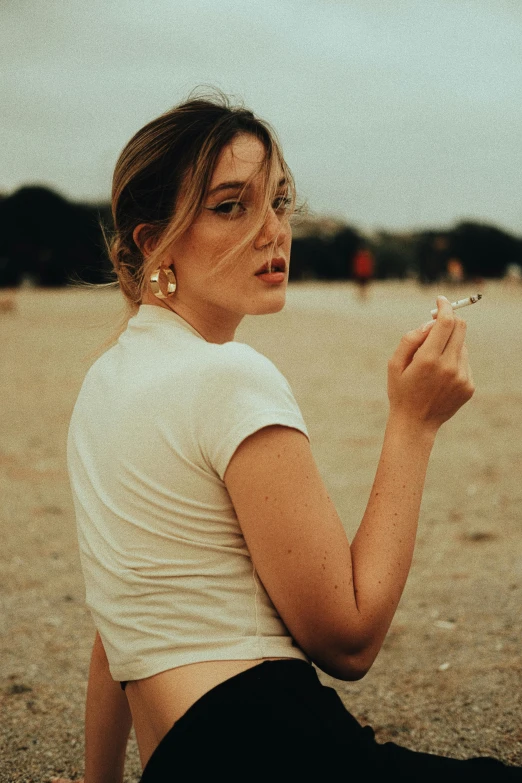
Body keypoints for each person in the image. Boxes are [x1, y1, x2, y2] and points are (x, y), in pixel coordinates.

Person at [65, 92, 521, 782]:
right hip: (265, 743)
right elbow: (349, 638)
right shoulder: (229, 377)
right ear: (151, 239)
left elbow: (120, 624)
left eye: (278, 201)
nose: (272, 230)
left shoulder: (104, 382)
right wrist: (414, 423)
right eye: (230, 206)